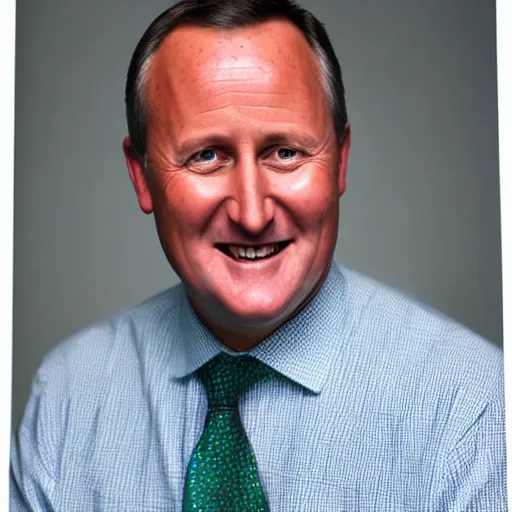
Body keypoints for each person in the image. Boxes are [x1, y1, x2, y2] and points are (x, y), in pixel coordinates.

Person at [10, 0, 507, 510]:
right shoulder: (68, 396)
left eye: (285, 152)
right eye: (206, 155)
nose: (252, 213)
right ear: (142, 177)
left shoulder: (474, 409)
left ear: (340, 161)